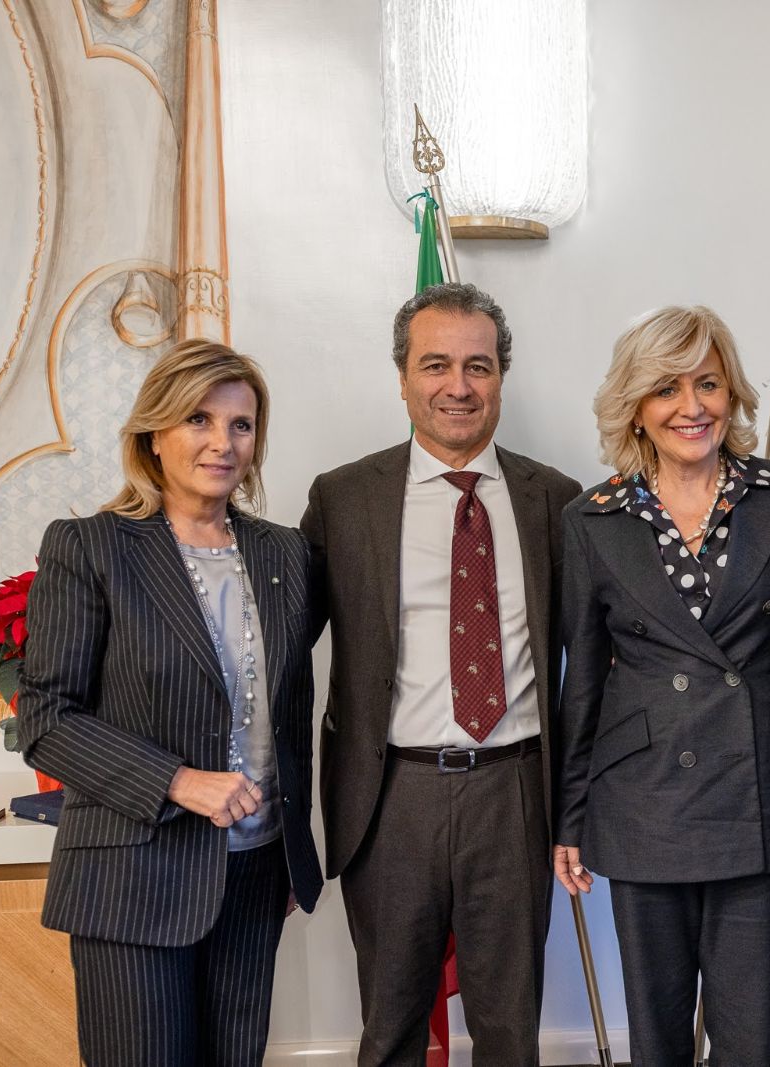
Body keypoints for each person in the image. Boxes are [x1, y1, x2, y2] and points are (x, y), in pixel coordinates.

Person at [18, 339, 323, 1066]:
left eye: (241, 425)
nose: (223, 442)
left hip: (255, 870)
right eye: (198, 419)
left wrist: (291, 846)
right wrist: (178, 781)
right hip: (133, 873)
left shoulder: (285, 554)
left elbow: (286, 713)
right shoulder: (90, 547)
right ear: (154, 433)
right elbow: (46, 718)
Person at [301, 282, 581, 1065]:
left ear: (501, 378)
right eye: (436, 365)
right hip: (392, 797)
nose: (458, 385)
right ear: (402, 378)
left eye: (478, 366)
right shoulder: (343, 498)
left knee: (509, 1034)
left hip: (516, 794)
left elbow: (594, 658)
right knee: (392, 1029)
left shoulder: (556, 500)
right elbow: (282, 646)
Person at [555, 305, 770, 1066]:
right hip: (643, 800)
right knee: (657, 1038)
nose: (691, 406)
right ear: (636, 406)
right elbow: (583, 678)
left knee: (746, 1038)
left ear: (732, 393)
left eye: (708, 383)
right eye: (666, 388)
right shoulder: (592, 517)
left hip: (755, 790)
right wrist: (569, 816)